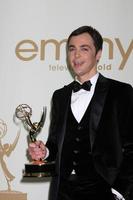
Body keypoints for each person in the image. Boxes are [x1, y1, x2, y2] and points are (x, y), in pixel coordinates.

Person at [28, 26, 133, 200]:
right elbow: (54, 144)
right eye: (72, 49)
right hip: (63, 192)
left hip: (105, 192)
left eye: (84, 49)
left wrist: (119, 191)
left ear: (98, 54)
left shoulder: (120, 92)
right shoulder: (59, 96)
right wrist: (44, 152)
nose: (76, 55)